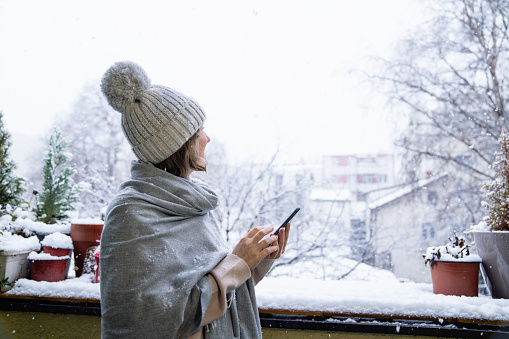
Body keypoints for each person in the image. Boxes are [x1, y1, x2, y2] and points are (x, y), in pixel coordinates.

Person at [99, 61, 290, 339]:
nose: (207, 138)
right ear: (177, 144)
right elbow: (160, 320)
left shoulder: (191, 204)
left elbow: (212, 298)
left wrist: (255, 261)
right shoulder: (131, 215)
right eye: (198, 131)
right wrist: (237, 263)